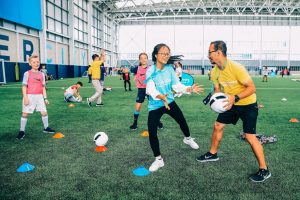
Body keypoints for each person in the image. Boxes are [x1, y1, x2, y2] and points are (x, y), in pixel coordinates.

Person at [196, 40, 271, 183]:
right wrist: (216, 103)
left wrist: (235, 98)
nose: (208, 55)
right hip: (229, 103)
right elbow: (218, 90)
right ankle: (213, 154)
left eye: (210, 52)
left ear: (219, 52)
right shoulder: (214, 71)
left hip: (247, 103)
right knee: (218, 125)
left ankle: (264, 170)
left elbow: (252, 88)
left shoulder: (236, 68)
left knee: (250, 136)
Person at [146, 43, 203, 172]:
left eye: (168, 53)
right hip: (155, 105)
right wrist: (161, 97)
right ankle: (158, 160)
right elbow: (150, 89)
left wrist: (188, 88)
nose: (166, 56)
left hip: (170, 102)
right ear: (156, 55)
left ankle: (187, 139)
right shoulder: (150, 71)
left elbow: (177, 85)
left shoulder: (169, 69)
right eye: (163, 53)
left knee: (182, 120)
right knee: (152, 132)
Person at [16, 55, 55, 140]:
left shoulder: (42, 74)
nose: (36, 63)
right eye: (34, 62)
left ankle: (46, 128)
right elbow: (24, 87)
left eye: (37, 62)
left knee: (44, 112)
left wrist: (45, 98)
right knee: (25, 113)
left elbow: (43, 87)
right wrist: (25, 97)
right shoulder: (27, 73)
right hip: (29, 96)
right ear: (30, 63)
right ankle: (22, 131)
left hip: (40, 96)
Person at [129, 53, 163, 130]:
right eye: (142, 58)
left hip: (150, 89)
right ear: (140, 60)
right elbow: (128, 71)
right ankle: (135, 124)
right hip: (141, 90)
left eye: (145, 58)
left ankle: (158, 122)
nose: (144, 60)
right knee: (137, 107)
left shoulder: (151, 68)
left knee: (153, 108)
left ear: (147, 59)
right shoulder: (136, 68)